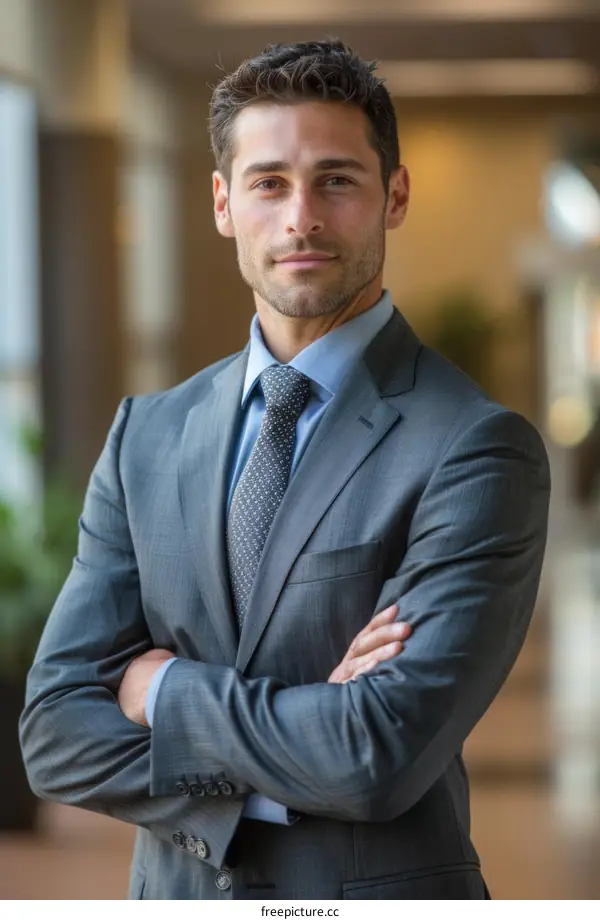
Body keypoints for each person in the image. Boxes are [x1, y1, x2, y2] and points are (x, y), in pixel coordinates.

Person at [20, 39, 550, 900]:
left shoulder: (476, 448)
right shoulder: (145, 436)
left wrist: (162, 689)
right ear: (223, 203)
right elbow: (54, 733)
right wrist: (291, 754)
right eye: (269, 183)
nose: (301, 217)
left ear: (395, 195)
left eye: (336, 180)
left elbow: (376, 753)